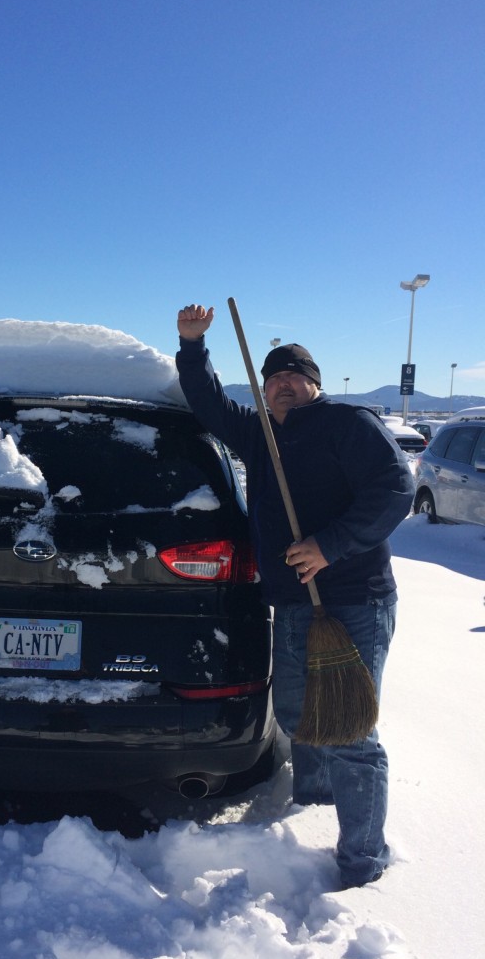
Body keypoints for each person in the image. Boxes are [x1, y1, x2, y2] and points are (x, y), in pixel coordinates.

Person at [176, 303, 414, 889]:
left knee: (351, 729)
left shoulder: (348, 425)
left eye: (294, 376)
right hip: (295, 603)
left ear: (315, 384)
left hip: (355, 600)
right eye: (273, 377)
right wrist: (192, 346)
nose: (282, 384)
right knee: (296, 713)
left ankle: (363, 860)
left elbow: (395, 488)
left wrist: (328, 546)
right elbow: (208, 404)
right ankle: (312, 805)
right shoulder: (259, 432)